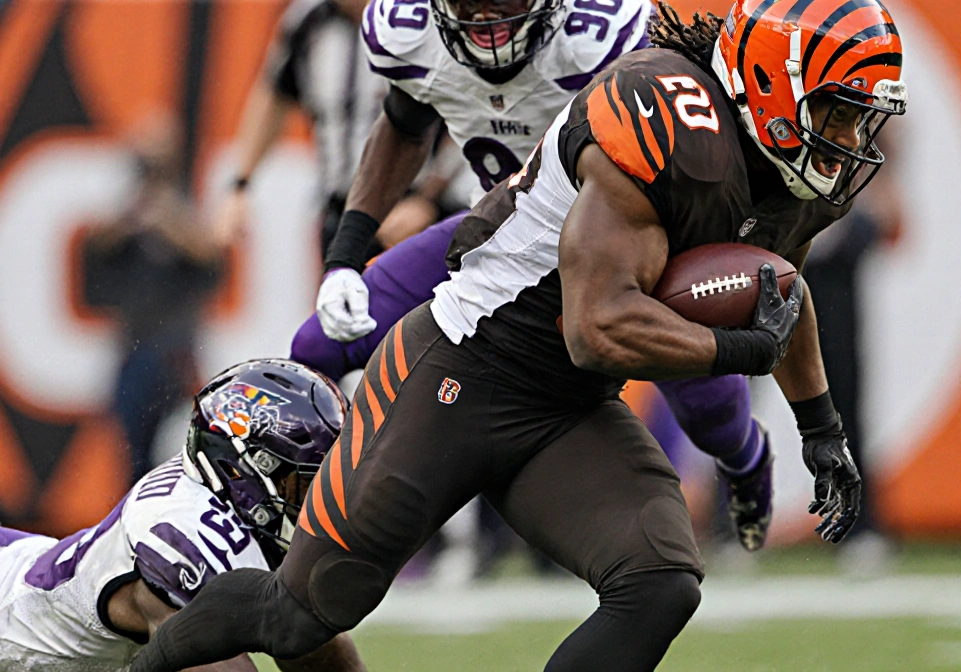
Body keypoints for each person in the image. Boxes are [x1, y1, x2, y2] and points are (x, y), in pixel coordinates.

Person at [131, 1, 906, 670]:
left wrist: (821, 430)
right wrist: (740, 352)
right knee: (301, 613)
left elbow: (779, 291)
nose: (851, 136)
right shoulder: (666, 116)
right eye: (839, 109)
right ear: (775, 82)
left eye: (860, 116)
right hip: (463, 369)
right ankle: (143, 649)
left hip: (566, 407)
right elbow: (597, 328)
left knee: (660, 580)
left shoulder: (797, 173)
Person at [294, 0, 775, 551]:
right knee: (318, 343)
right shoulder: (409, 31)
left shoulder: (603, 38)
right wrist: (344, 258)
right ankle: (290, 522)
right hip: (501, 241)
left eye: (505, 1)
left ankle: (747, 460)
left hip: (620, 253)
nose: (486, 20)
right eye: (468, 3)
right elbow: (404, 125)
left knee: (713, 416)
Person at [0, 360, 365, 671]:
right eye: (306, 482)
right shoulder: (183, 538)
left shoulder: (227, 495)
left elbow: (305, 637)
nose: (324, 497)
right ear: (250, 469)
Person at [215, 0, 462, 259]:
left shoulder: (425, 16)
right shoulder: (310, 19)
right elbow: (275, 96)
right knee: (340, 296)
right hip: (341, 214)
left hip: (416, 214)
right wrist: (241, 185)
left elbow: (469, 109)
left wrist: (428, 200)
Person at [82, 114, 228, 483]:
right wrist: (134, 216)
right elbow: (96, 246)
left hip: (174, 353)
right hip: (133, 346)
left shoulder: (183, 205)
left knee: (176, 452)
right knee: (131, 453)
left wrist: (167, 222)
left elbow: (210, 255)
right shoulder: (128, 208)